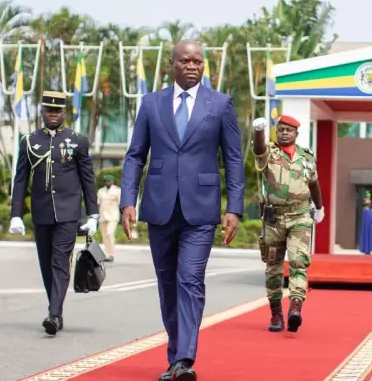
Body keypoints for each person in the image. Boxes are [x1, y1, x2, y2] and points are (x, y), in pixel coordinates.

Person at [119, 40, 245, 381]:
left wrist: (234, 207)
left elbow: (233, 158)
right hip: (159, 208)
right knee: (168, 285)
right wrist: (128, 201)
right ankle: (176, 356)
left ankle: (184, 359)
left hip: (201, 211)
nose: (192, 65)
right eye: (185, 60)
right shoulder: (151, 103)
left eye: (198, 61)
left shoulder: (219, 105)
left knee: (190, 281)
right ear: (172, 64)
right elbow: (135, 156)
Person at [9, 91, 99, 336]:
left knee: (60, 262)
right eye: (49, 110)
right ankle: (55, 308)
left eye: (57, 110)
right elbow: (20, 180)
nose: (53, 114)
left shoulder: (77, 140)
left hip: (68, 213)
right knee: (46, 264)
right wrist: (16, 214)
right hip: (41, 213)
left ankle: (54, 314)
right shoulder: (28, 141)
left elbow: (88, 179)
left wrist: (93, 214)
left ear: (64, 113)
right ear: (42, 112)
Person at [251, 114, 324, 334]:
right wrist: (258, 131)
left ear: (296, 134)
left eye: (288, 130)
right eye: (281, 129)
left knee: (297, 261)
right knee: (273, 269)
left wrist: (319, 207)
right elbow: (258, 149)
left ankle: (295, 306)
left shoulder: (307, 157)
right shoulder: (268, 152)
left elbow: (314, 183)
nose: (284, 133)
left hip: (300, 216)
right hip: (274, 219)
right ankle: (275, 312)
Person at [97, 174, 121, 262]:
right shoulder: (100, 191)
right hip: (103, 216)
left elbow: (120, 203)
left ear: (113, 181)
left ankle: (111, 254)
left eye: (109, 180)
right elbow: (98, 203)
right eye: (106, 181)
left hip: (113, 216)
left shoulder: (117, 190)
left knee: (109, 234)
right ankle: (106, 254)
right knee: (104, 237)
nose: (107, 182)